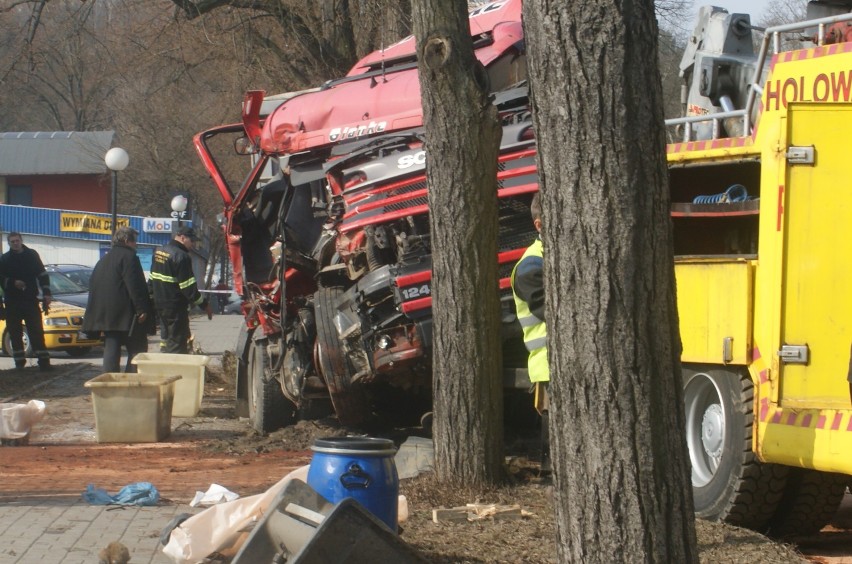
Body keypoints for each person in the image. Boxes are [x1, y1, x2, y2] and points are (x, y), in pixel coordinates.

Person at [510, 193, 551, 473]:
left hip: (558, 367)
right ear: (539, 225)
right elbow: (555, 314)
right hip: (549, 368)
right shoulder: (530, 267)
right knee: (556, 456)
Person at [83, 227, 152, 373]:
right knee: (137, 349)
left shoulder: (104, 259)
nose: (136, 245)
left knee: (111, 347)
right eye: (135, 242)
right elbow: (135, 285)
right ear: (127, 241)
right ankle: (132, 381)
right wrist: (141, 309)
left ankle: (109, 381)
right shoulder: (129, 257)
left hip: (107, 315)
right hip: (127, 314)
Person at [150, 225, 212, 354]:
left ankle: (164, 362)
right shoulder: (182, 256)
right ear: (183, 238)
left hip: (160, 305)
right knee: (177, 343)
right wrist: (204, 305)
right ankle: (176, 368)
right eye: (192, 241)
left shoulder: (159, 251)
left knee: (166, 338)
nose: (193, 244)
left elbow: (152, 280)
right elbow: (188, 288)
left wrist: (150, 299)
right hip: (175, 307)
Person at [0, 232, 53, 370]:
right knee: (15, 332)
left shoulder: (32, 255)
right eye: (12, 241)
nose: (15, 243)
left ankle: (44, 362)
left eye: (17, 240)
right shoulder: (5, 260)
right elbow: (1, 279)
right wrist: (13, 283)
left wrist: (47, 294)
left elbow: (42, 274)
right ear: (9, 243)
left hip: (30, 300)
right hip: (13, 302)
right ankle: (19, 363)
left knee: (36, 330)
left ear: (21, 240)